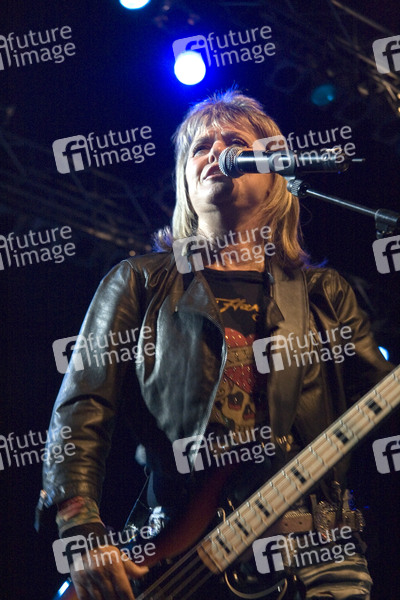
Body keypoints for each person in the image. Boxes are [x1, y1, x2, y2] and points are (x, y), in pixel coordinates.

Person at [37, 90, 392, 600]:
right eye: (200, 147)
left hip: (317, 554)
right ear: (185, 180)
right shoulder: (139, 282)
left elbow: (381, 411)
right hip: (182, 556)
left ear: (274, 174)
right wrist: (81, 531)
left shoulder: (324, 294)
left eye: (235, 143)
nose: (216, 152)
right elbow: (80, 413)